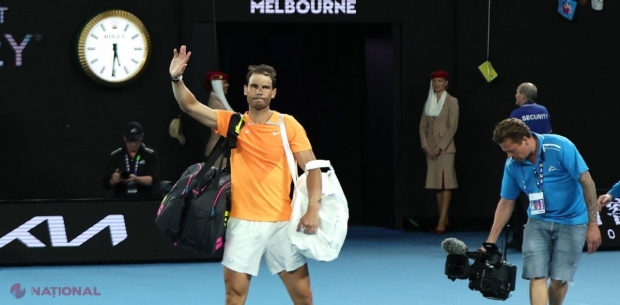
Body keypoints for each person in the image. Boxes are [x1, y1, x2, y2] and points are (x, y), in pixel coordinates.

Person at [169, 45, 322, 305]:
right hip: (242, 224)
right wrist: (176, 78)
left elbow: (312, 167)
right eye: (254, 86)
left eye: (264, 87)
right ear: (245, 90)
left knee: (304, 297)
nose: (258, 91)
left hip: (281, 224)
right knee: (235, 296)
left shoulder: (288, 124)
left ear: (273, 93)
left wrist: (313, 209)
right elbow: (190, 106)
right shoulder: (233, 122)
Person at [485, 118, 601, 305]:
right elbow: (506, 202)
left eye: (511, 151)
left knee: (559, 279)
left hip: (572, 222)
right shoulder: (512, 166)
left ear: (525, 139)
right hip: (537, 222)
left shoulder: (561, 146)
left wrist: (593, 223)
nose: (509, 156)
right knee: (536, 276)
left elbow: (587, 182)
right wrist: (490, 241)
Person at [506, 82, 552, 250]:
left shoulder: (516, 113)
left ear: (523, 96)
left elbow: (510, 139)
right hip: (542, 160)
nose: (515, 96)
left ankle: (520, 238)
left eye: (517, 93)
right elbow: (548, 134)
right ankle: (541, 239)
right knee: (538, 198)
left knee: (519, 200)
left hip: (521, 162)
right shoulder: (544, 111)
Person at [419, 70, 459, 234]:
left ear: (446, 83)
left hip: (445, 149)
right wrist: (426, 146)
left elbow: (452, 127)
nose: (437, 84)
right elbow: (422, 126)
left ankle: (441, 222)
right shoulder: (428, 101)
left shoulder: (452, 101)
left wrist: (439, 147)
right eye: (434, 81)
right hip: (430, 148)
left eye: (440, 81)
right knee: (437, 184)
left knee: (445, 183)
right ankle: (445, 218)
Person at [103, 121, 160, 200]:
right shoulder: (115, 155)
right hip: (121, 199)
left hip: (144, 200)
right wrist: (113, 180)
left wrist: (135, 178)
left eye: (136, 141)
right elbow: (106, 183)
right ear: (125, 137)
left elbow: (152, 180)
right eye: (130, 141)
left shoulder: (150, 154)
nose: (133, 144)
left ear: (142, 137)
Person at [203, 71, 231, 165]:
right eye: (224, 83)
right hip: (218, 148)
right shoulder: (216, 104)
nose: (227, 85)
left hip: (220, 147)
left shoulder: (217, 102)